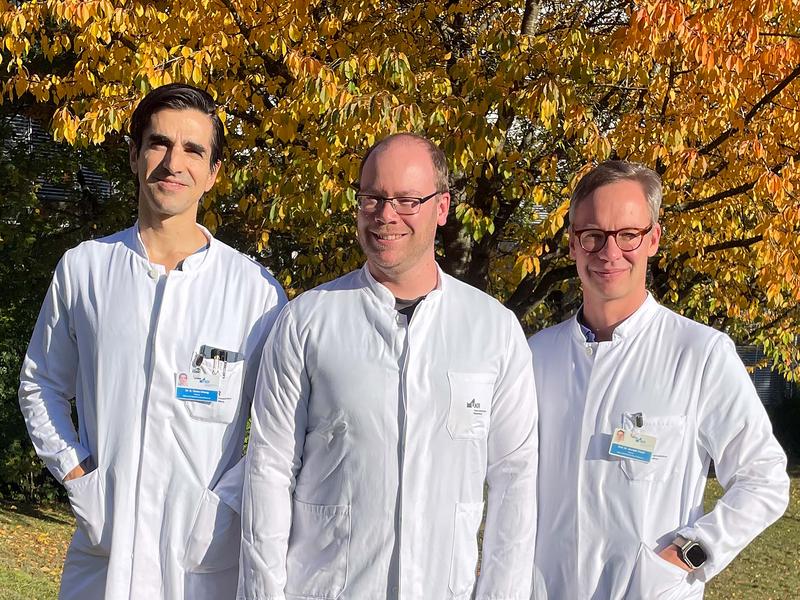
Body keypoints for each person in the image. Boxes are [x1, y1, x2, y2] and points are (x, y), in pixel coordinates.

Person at [238, 133, 538, 599]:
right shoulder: (308, 321)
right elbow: (269, 469)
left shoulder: (493, 331)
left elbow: (514, 480)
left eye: (407, 200)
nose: (386, 215)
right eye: (373, 197)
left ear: (442, 208)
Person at [19, 83, 286, 600]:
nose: (173, 163)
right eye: (159, 144)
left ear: (213, 173)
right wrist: (77, 473)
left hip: (201, 556)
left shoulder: (256, 294)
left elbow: (284, 431)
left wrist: (225, 501)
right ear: (135, 155)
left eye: (193, 150)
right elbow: (40, 384)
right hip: (105, 548)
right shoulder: (86, 269)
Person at [528, 160, 790, 599]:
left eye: (628, 234)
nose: (610, 252)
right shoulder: (537, 354)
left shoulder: (699, 353)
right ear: (573, 244)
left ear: (653, 238)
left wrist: (689, 554)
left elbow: (764, 478)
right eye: (592, 235)